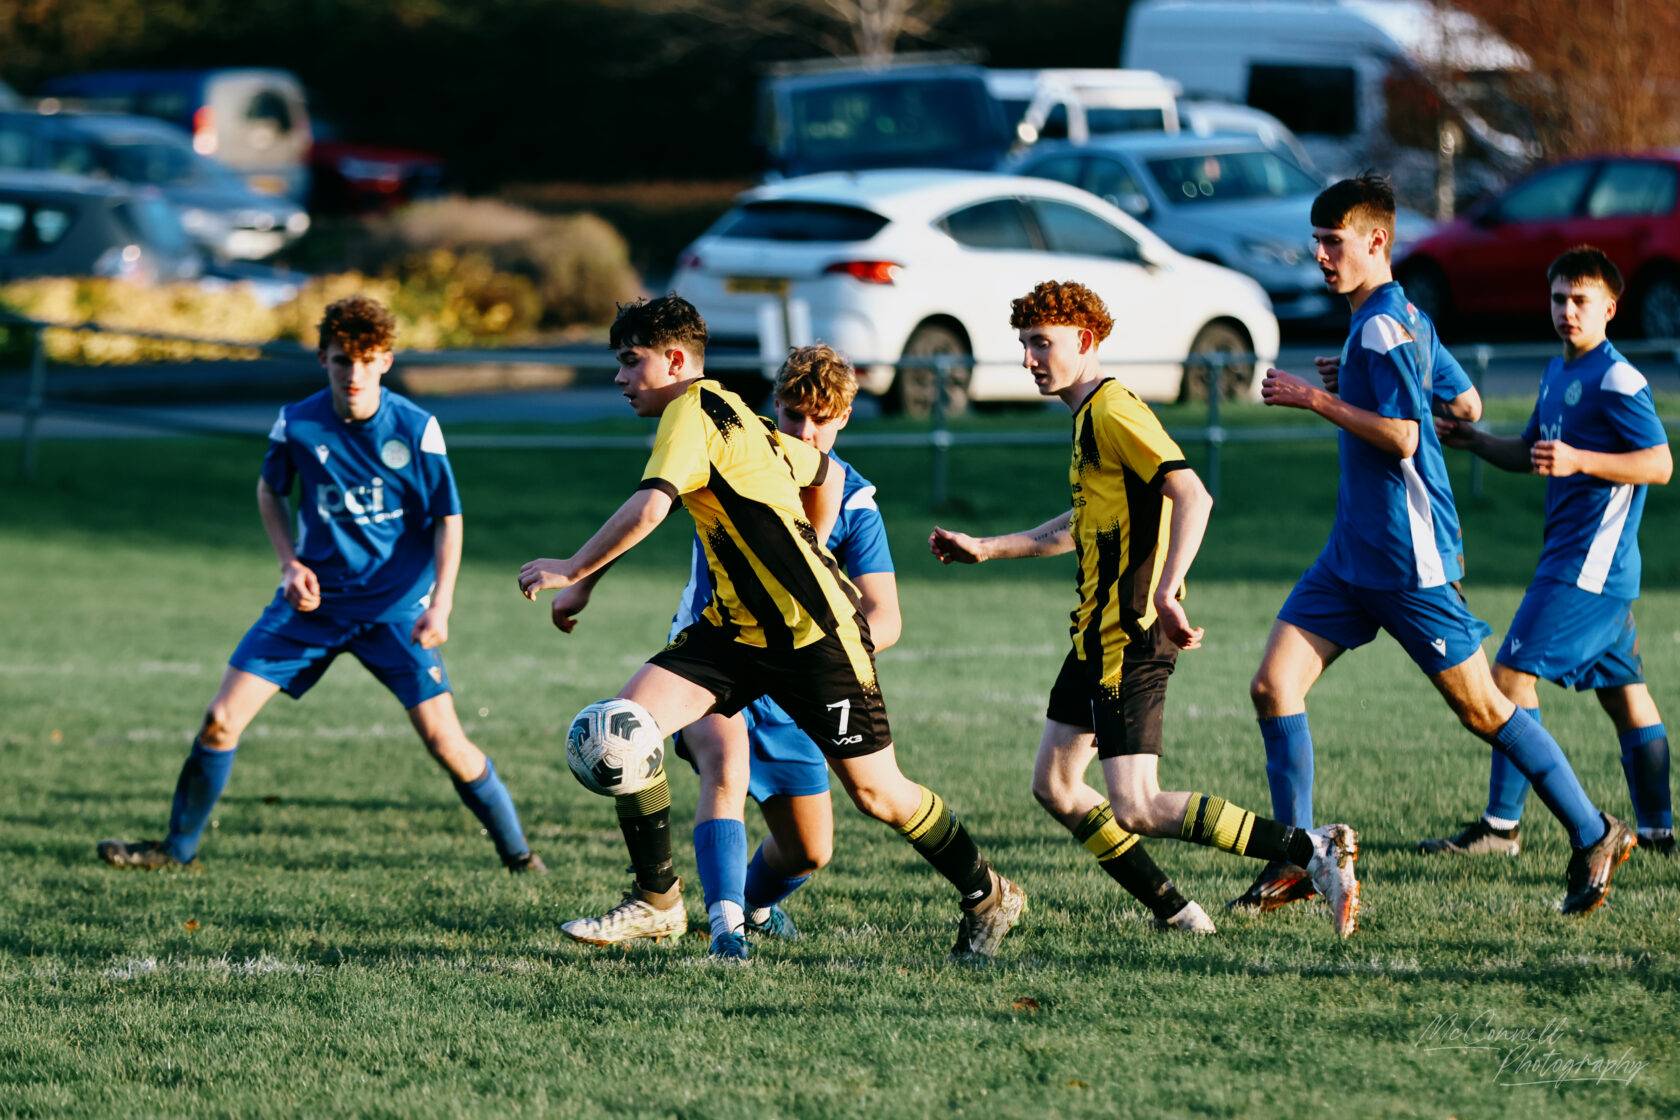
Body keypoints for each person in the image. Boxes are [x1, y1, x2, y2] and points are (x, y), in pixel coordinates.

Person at [519, 295, 1024, 962]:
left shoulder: (692, 411)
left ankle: (988, 893)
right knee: (625, 724)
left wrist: (571, 565)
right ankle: (658, 902)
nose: (620, 378)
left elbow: (652, 505)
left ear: (674, 360)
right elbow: (822, 470)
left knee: (879, 794)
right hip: (732, 634)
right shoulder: (732, 412)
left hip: (815, 640)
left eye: (629, 361)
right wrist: (588, 581)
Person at [1239, 174, 1636, 918]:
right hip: (1351, 554)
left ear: (1376, 241)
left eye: (1334, 242)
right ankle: (1300, 856)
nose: (1320, 256)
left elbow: (1407, 435)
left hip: (1407, 556)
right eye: (1317, 241)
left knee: (1485, 709)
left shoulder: (1388, 324)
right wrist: (1354, 384)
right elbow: (1464, 402)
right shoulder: (1401, 319)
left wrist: (1316, 397)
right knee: (1273, 686)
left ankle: (1595, 830)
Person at [929, 280, 1359, 938]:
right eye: (1023, 345)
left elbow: (1193, 495)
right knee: (1058, 787)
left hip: (1130, 633)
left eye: (1042, 343)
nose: (1029, 359)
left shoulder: (1113, 409)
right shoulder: (1088, 418)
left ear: (1086, 340)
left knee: (1138, 805)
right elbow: (1084, 523)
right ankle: (1178, 913)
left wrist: (1166, 589)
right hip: (1094, 637)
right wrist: (987, 549)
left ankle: (1310, 850)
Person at [98, 295, 544, 874]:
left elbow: (448, 518)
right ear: (323, 360)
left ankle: (519, 856)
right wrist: (289, 563)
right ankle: (175, 850)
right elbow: (270, 491)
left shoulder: (416, 428)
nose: (353, 374)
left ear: (385, 360)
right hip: (312, 606)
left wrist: (442, 604)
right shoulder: (299, 422)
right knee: (220, 719)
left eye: (365, 360)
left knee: (447, 744)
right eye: (341, 361)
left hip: (396, 611)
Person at [548, 343, 902, 958]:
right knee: (722, 767)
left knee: (809, 849)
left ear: (844, 419)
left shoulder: (853, 500)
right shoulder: (735, 443)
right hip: (718, 658)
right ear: (775, 408)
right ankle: (715, 929)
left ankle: (754, 903)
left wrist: (833, 656)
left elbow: (884, 617)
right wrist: (583, 580)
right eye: (795, 416)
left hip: (802, 679)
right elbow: (651, 506)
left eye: (823, 419)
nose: (808, 431)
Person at [1421, 245, 1674, 858]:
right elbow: (1532, 450)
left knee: (1507, 678)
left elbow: (1660, 464)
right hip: (1580, 567)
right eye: (1559, 299)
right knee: (1626, 696)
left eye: (1581, 301)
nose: (1567, 312)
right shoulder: (1559, 372)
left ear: (1610, 308)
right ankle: (1661, 832)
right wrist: (1475, 441)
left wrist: (1583, 460)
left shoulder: (1618, 378)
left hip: (1588, 570)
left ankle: (1502, 828)